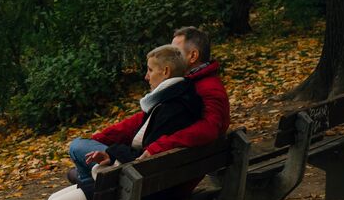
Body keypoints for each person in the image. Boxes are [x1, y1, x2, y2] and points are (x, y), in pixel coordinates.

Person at [41, 44, 204, 200]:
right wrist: (111, 155)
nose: (146, 76)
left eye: (150, 70)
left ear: (165, 71)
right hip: (148, 183)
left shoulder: (172, 108)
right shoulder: (180, 98)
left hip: (142, 192)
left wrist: (112, 152)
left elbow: (145, 156)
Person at [64, 25, 231, 186]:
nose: (171, 54)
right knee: (86, 152)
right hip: (174, 169)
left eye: (176, 51)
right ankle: (89, 181)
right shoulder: (190, 84)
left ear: (193, 56)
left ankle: (88, 183)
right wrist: (103, 137)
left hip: (167, 177)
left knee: (77, 147)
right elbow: (146, 118)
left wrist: (158, 147)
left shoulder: (204, 88)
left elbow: (209, 129)